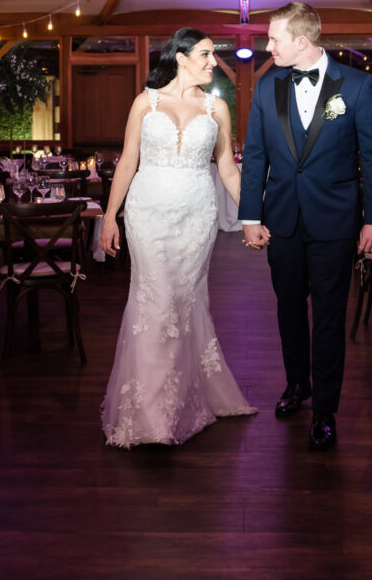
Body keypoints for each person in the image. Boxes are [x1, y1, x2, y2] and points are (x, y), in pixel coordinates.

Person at [238, 2, 372, 450]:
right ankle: (296, 384)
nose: (268, 46)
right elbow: (255, 156)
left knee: (327, 315)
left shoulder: (357, 86)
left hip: (335, 221)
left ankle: (324, 409)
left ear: (301, 41)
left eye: (274, 39)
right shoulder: (267, 86)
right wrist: (250, 216)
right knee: (288, 309)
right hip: (282, 219)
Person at [100, 27, 258, 447]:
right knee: (155, 303)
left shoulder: (217, 107)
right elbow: (128, 161)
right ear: (181, 57)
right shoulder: (145, 102)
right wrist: (110, 215)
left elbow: (227, 168)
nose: (212, 62)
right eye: (205, 54)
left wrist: (251, 216)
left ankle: (181, 400)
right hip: (147, 214)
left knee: (184, 303)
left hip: (196, 217)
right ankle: (150, 414)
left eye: (213, 55)